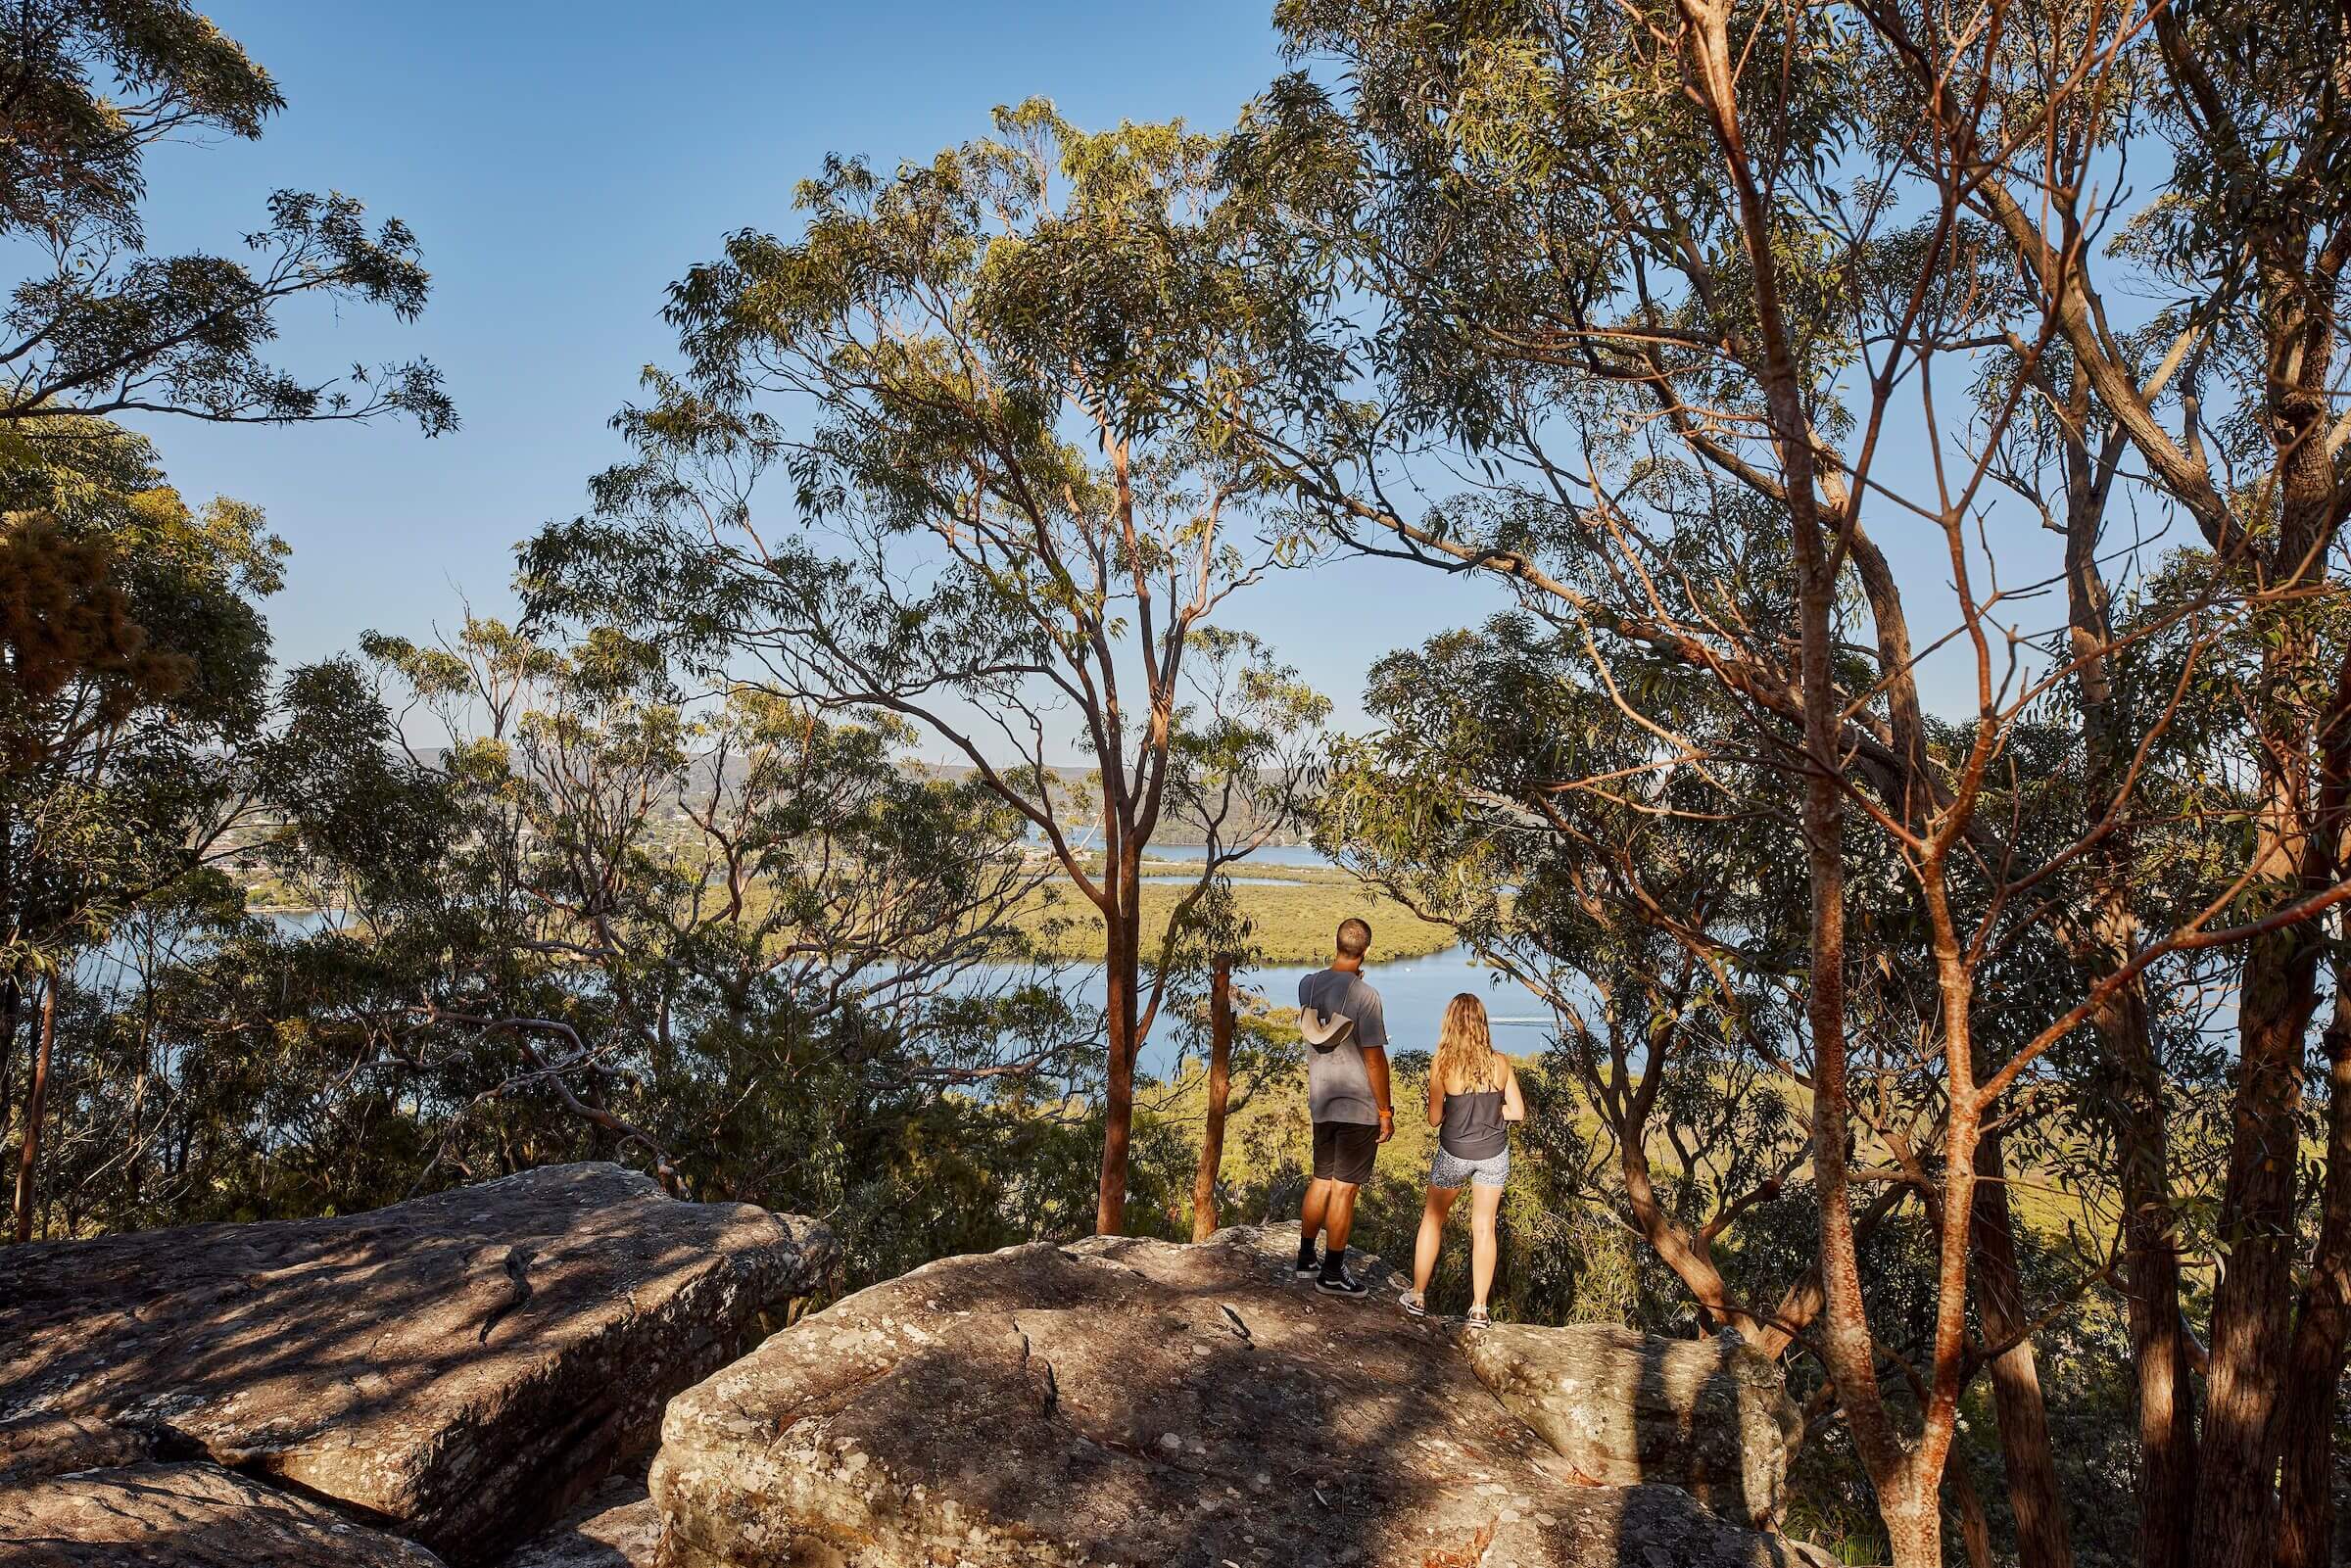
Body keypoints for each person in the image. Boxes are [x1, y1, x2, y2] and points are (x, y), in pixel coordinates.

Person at [1399, 992, 1524, 1327]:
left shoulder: (1442, 1064)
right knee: (1484, 1228)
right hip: (1493, 1153)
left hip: (1454, 1153)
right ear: (1482, 1023)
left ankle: (1418, 1296)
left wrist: (1460, 1109)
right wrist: (1490, 1111)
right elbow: (1518, 1111)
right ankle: (1479, 1309)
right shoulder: (1500, 1062)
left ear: (1450, 1024)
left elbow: (1434, 1118)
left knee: (1433, 1219)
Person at [1295, 917, 1391, 1296]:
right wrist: (1384, 1111)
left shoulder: (1308, 984)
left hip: (1322, 1100)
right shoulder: (1366, 996)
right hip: (1356, 1106)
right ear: (1366, 950)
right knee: (1345, 1188)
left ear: (1336, 944)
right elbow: (1373, 1059)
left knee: (1321, 1178)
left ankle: (1306, 1258)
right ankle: (1332, 1274)